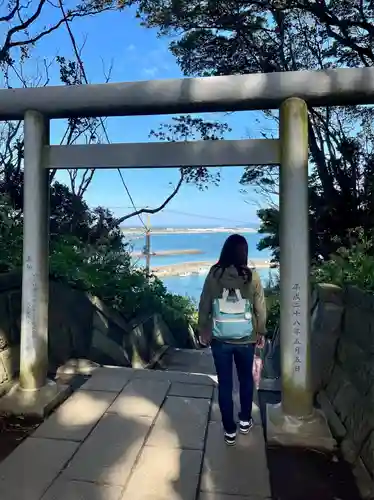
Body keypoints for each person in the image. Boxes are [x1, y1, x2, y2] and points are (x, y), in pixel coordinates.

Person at [198, 234, 267, 446]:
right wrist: (261, 332)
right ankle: (245, 421)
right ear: (244, 253)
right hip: (246, 339)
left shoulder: (214, 274)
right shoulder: (252, 277)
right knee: (246, 379)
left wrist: (203, 329)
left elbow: (204, 304)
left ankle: (229, 430)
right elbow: (260, 309)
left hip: (220, 338)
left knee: (225, 383)